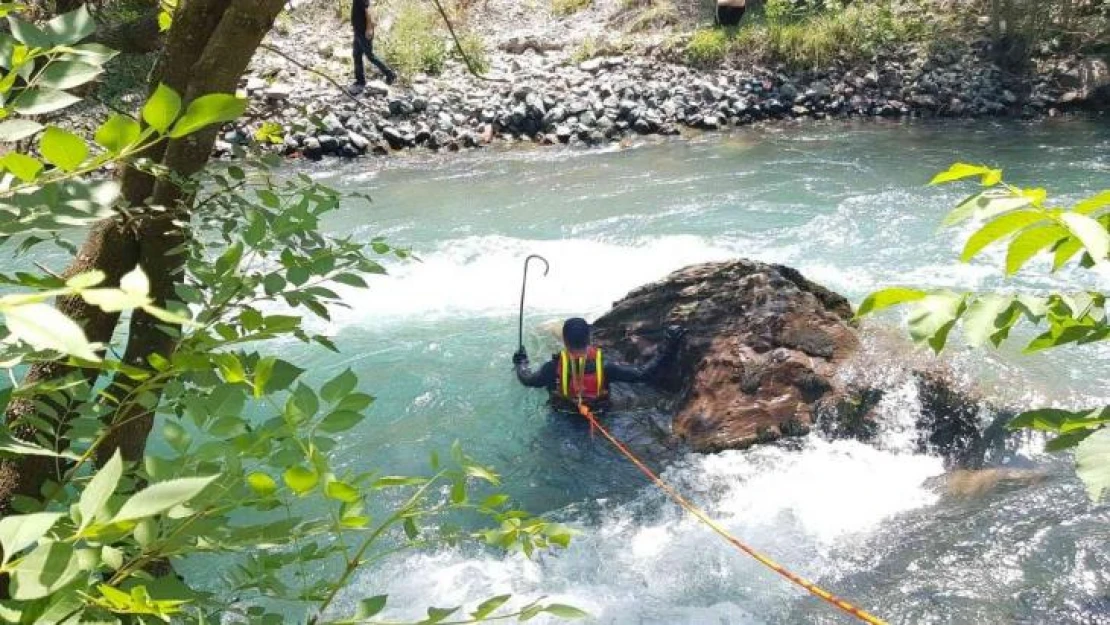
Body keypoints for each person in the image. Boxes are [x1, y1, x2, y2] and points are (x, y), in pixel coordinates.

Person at [513, 318, 686, 413]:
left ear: (565, 341)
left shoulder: (551, 368)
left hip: (563, 415)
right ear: (589, 339)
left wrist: (521, 362)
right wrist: (669, 345)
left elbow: (527, 380)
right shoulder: (605, 366)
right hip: (600, 413)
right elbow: (643, 374)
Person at [349, 0, 396, 95]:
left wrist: (369, 28)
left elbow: (369, 11)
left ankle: (390, 74)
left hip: (364, 32)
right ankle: (360, 81)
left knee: (370, 56)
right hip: (358, 31)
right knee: (356, 55)